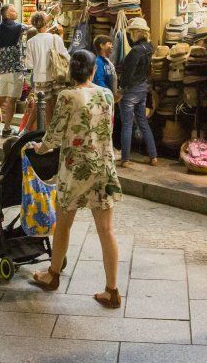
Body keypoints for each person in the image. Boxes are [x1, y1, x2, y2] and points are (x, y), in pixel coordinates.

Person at [28, 49, 123, 308]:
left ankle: (53, 274)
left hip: (74, 169)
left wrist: (40, 148)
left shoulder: (66, 96)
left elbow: (55, 134)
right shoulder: (106, 95)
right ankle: (112, 290)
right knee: (107, 230)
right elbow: (107, 129)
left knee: (64, 224)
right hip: (103, 167)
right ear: (93, 71)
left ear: (71, 71)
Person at [116, 17, 156, 167]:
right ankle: (153, 156)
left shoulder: (136, 51)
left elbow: (127, 74)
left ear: (137, 32)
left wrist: (121, 90)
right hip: (142, 89)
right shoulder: (149, 48)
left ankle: (125, 159)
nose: (130, 35)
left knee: (126, 124)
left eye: (132, 32)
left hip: (130, 91)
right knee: (143, 122)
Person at [23, 12, 69, 128]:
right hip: (57, 76)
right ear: (46, 22)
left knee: (47, 107)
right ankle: (60, 130)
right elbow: (66, 57)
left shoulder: (30, 42)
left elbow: (29, 65)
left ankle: (49, 133)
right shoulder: (55, 38)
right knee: (58, 105)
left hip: (40, 78)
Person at [0, 4, 29, 136]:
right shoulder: (19, 27)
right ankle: (7, 128)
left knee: (0, 99)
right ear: (7, 15)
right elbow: (35, 27)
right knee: (12, 101)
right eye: (13, 10)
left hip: (3, 70)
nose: (15, 11)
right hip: (16, 69)